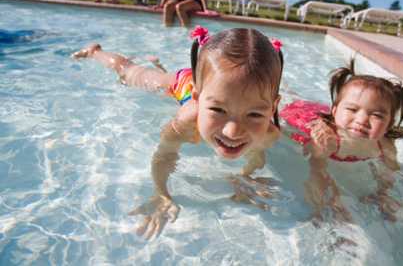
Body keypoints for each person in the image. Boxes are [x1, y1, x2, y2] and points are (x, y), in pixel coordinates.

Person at [72, 26, 284, 238]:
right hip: (180, 84)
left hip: (212, 85)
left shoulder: (269, 133)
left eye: (255, 114)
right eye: (218, 110)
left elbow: (257, 154)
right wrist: (162, 193)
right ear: (197, 98)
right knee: (129, 73)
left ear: (272, 108)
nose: (233, 131)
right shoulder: (184, 123)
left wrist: (245, 177)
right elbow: (164, 155)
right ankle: (95, 52)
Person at [280, 61, 403, 223]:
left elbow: (390, 171)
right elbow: (316, 174)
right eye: (352, 110)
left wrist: (383, 195)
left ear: (389, 124)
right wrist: (324, 205)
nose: (362, 120)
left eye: (377, 115)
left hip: (327, 115)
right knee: (287, 99)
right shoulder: (329, 141)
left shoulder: (385, 144)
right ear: (334, 111)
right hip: (302, 116)